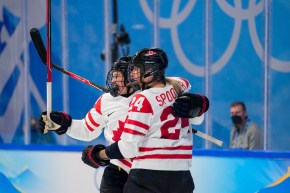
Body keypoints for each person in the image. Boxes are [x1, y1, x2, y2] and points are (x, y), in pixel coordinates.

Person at [39, 54, 209, 193]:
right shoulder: (106, 100)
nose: (113, 81)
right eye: (113, 76)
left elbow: (192, 114)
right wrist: (64, 125)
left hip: (145, 172)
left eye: (118, 77)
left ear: (132, 78)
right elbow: (86, 129)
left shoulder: (151, 94)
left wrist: (198, 104)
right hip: (119, 170)